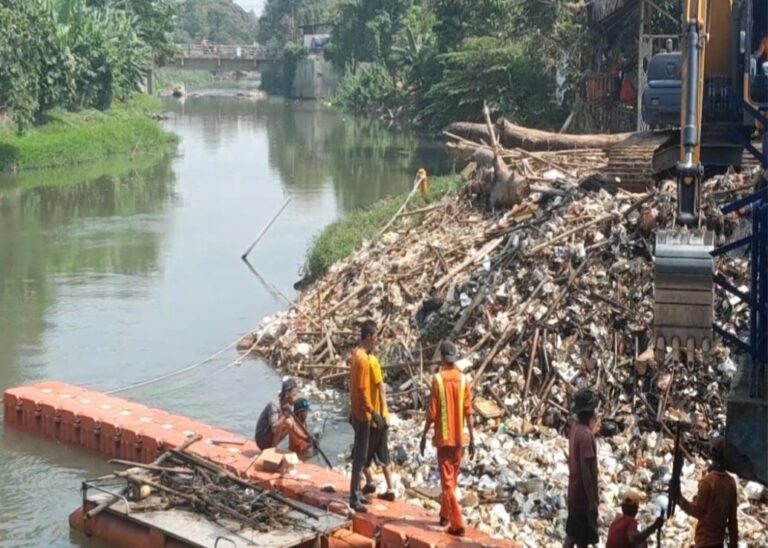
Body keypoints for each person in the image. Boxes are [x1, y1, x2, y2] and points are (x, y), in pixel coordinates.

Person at [419, 340, 474, 537]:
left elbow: (432, 413)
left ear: (442, 357)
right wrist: (473, 438)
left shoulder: (438, 380)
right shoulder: (464, 380)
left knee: (447, 484)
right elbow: (469, 412)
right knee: (452, 481)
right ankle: (443, 514)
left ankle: (457, 523)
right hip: (460, 440)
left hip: (444, 439)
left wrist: (424, 434)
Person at [349, 320, 386, 513]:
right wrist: (373, 412)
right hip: (363, 414)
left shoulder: (356, 355)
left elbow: (353, 387)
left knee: (360, 456)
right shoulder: (363, 359)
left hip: (356, 411)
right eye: (376, 336)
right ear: (369, 337)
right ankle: (354, 497)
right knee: (360, 457)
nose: (377, 340)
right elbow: (363, 390)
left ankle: (357, 493)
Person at [674, 436, 738, 548]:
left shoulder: (707, 482)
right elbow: (732, 520)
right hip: (718, 543)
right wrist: (733, 544)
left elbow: (698, 512)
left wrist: (680, 500)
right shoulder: (731, 483)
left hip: (704, 542)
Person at [565, 388, 600, 548]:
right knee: (582, 541)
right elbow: (586, 471)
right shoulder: (586, 436)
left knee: (572, 534)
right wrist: (592, 500)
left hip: (573, 492)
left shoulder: (575, 429)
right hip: (582, 497)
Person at [361, 353, 396, 502]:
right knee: (383, 455)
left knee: (361, 455)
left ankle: (369, 482)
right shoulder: (366, 362)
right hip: (380, 418)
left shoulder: (371, 361)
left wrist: (381, 413)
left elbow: (380, 387)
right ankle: (390, 489)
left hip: (375, 419)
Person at [255, 377, 298, 450]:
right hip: (262, 439)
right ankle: (272, 450)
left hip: (270, 438)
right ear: (287, 394)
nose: (295, 398)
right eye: (294, 395)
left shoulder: (286, 407)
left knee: (292, 422)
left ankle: (292, 448)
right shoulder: (274, 405)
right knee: (286, 422)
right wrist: (284, 416)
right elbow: (274, 426)